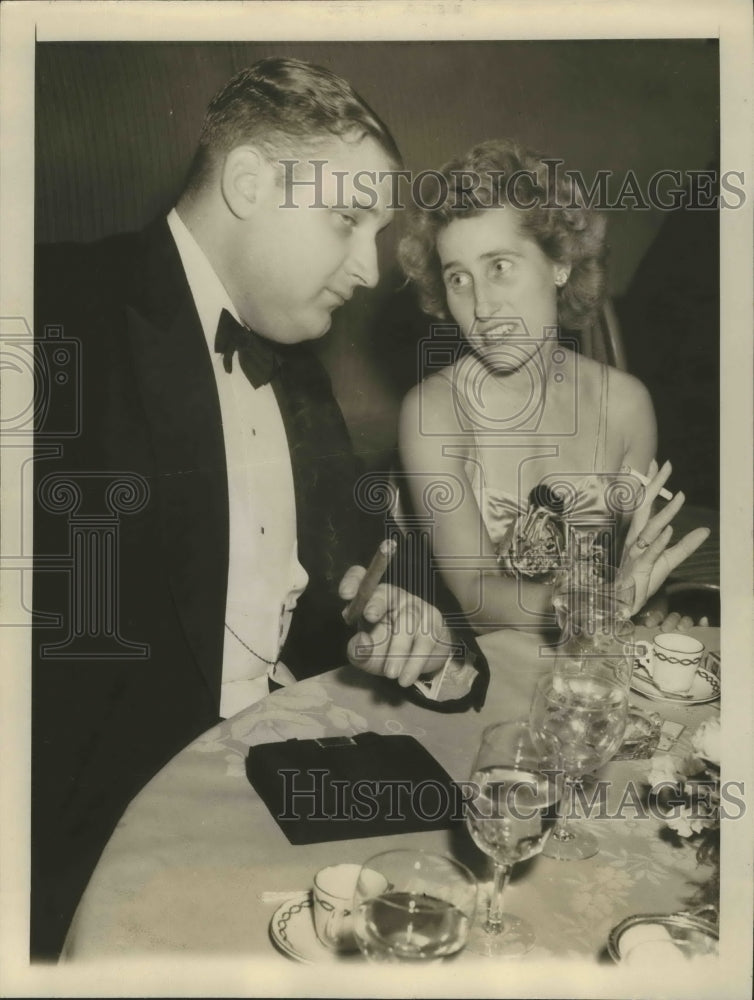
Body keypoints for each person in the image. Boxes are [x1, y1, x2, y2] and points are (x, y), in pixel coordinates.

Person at [31, 58, 464, 960]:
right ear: (249, 182)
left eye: (379, 232)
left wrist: (374, 614)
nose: (370, 267)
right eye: (348, 221)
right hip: (99, 834)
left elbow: (304, 584)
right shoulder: (51, 310)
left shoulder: (294, 358)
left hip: (275, 761)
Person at [397, 138, 710, 634]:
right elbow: (475, 596)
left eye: (499, 267)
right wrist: (603, 603)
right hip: (480, 672)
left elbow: (629, 570)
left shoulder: (627, 406)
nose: (480, 305)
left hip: (587, 664)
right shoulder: (434, 411)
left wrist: (653, 610)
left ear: (560, 263)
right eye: (458, 278)